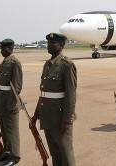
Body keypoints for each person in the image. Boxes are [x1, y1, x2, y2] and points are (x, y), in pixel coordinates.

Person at [31, 32, 77, 166]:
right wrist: (35, 115)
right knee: (55, 153)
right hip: (47, 116)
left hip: (60, 118)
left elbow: (71, 96)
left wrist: (67, 120)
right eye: (48, 43)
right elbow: (44, 93)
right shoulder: (47, 64)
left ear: (61, 45)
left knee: (66, 154)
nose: (49, 45)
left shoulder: (66, 65)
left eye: (52, 43)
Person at [0, 38, 22, 166]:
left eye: (4, 48)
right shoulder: (5, 62)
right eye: (1, 49)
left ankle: (15, 155)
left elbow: (17, 87)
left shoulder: (14, 62)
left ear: (11, 48)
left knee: (11, 130)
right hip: (1, 101)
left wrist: (10, 104)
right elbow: (0, 85)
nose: (2, 51)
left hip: (9, 102)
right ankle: (7, 152)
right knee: (4, 129)